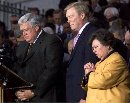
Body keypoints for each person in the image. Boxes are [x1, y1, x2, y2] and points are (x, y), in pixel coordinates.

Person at [13, 13, 64, 102]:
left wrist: (33, 92)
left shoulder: (51, 41)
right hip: (24, 97)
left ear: (36, 28)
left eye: (26, 30)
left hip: (44, 97)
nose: (24, 34)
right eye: (22, 31)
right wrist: (18, 90)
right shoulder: (23, 45)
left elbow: (51, 70)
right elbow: (18, 68)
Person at [81, 28, 130, 103]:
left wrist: (89, 73)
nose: (94, 50)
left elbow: (103, 81)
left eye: (96, 47)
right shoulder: (98, 64)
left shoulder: (117, 60)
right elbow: (86, 86)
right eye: (93, 48)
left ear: (107, 45)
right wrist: (86, 75)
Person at [64, 2, 98, 102]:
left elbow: (90, 66)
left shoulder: (91, 33)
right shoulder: (82, 34)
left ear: (82, 15)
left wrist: (84, 95)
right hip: (75, 93)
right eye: (67, 17)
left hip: (82, 96)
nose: (68, 21)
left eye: (70, 16)